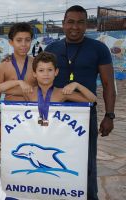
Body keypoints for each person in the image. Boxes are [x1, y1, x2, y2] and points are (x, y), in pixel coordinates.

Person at [44, 5, 116, 200]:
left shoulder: (98, 48)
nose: (74, 27)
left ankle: (89, 196)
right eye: (70, 22)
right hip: (55, 113)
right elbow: (37, 73)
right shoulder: (52, 48)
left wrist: (109, 115)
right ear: (63, 24)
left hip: (85, 115)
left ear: (86, 25)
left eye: (80, 22)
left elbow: (109, 84)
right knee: (56, 160)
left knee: (86, 163)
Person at [0, 22, 35, 143]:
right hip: (10, 118)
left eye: (27, 40)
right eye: (19, 40)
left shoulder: (37, 64)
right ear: (11, 42)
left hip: (32, 117)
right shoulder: (2, 66)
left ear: (31, 41)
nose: (23, 44)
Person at [0, 52, 96, 104]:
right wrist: (19, 82)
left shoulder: (62, 93)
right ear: (34, 73)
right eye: (41, 70)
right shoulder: (28, 91)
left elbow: (92, 100)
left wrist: (77, 85)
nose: (46, 74)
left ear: (56, 72)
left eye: (49, 70)